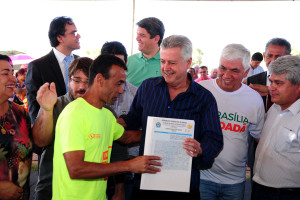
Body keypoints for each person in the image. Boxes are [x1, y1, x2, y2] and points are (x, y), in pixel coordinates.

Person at [120, 35, 223, 200]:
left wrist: (201, 148)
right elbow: (133, 119)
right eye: (162, 61)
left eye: (172, 63)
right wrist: (112, 122)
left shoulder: (204, 98)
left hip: (183, 187)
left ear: (188, 63)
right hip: (147, 184)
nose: (166, 68)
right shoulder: (148, 88)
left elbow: (214, 139)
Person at [52, 55, 162, 200]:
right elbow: (76, 169)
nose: (122, 90)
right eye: (118, 83)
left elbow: (128, 137)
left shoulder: (107, 115)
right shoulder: (73, 114)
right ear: (99, 80)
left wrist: (162, 132)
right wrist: (129, 165)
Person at [199, 44, 265, 200]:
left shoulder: (254, 99)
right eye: (223, 68)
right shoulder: (201, 90)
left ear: (246, 72)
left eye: (235, 70)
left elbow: (259, 138)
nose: (226, 75)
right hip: (202, 177)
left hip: (235, 182)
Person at [32, 57, 93, 200]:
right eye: (77, 80)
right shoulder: (55, 104)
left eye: (87, 81)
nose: (81, 87)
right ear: (68, 81)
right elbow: (40, 142)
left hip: (89, 192)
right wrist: (46, 110)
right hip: (51, 189)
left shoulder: (104, 110)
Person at [253, 55, 300, 200]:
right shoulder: (275, 107)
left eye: (278, 83)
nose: (271, 87)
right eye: (271, 81)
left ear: (298, 86)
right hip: (259, 189)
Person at [100, 41, 138, 200]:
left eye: (120, 63)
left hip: (126, 172)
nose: (115, 68)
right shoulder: (90, 95)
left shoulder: (136, 94)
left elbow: (137, 132)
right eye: (110, 63)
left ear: (127, 63)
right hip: (95, 171)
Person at [26, 16, 80, 123]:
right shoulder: (38, 67)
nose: (78, 36)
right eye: (73, 33)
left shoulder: (84, 63)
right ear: (60, 38)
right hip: (53, 132)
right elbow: (34, 108)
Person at [0, 54, 32, 200]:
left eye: (12, 73)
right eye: (6, 73)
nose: (13, 78)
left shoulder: (20, 113)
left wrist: (46, 110)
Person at [247, 38, 291, 111]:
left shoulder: (295, 83)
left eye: (279, 57)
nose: (273, 61)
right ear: (264, 56)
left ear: (289, 58)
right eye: (269, 56)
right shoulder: (252, 81)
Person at [126, 17, 165, 87]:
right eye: (137, 34)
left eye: (142, 35)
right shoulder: (127, 61)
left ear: (156, 39)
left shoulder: (167, 64)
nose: (137, 38)